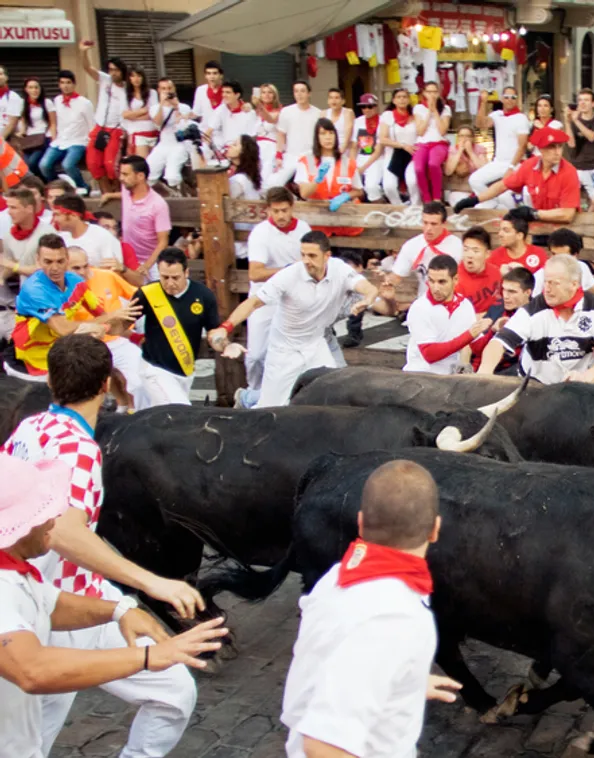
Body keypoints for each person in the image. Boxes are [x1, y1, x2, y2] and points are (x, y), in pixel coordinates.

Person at [3, 334, 209, 756]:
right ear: (105, 385)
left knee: (170, 691)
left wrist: (121, 604)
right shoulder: (77, 448)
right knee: (28, 736)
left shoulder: (31, 425)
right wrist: (152, 583)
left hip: (58, 594)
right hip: (52, 602)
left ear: (50, 382)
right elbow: (63, 532)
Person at [0, 452, 228, 758]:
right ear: (16, 527)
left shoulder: (14, 572)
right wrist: (147, 656)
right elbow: (32, 670)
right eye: (42, 512)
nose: (54, 520)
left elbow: (50, 605)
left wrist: (117, 610)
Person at [280, 458, 460, 757]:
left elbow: (343, 658)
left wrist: (400, 682)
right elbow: (323, 745)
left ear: (361, 523)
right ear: (435, 529)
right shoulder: (393, 618)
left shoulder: (337, 577)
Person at [209, 231, 378, 408]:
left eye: (312, 255)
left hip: (316, 344)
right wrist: (225, 327)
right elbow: (253, 303)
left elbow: (368, 287)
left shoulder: (340, 268)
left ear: (327, 256)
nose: (306, 260)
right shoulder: (288, 275)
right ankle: (246, 400)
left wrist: (367, 299)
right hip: (284, 350)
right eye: (303, 255)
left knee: (333, 395)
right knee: (271, 408)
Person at [477, 254, 594, 385]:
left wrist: (585, 378)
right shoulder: (532, 310)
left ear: (574, 284)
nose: (547, 289)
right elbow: (498, 343)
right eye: (546, 282)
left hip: (579, 385)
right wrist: (484, 374)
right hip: (535, 387)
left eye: (555, 283)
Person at [8, 235, 137, 380]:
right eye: (48, 262)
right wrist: (112, 315)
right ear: (38, 260)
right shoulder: (34, 290)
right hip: (30, 363)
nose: (55, 268)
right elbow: (63, 328)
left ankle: (124, 403)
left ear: (67, 259)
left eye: (60, 261)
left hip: (59, 355)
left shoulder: (76, 282)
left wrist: (133, 334)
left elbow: (103, 317)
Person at [125, 247, 228, 408]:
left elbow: (213, 332)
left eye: (175, 277)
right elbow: (123, 324)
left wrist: (223, 344)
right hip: (155, 369)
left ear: (186, 273)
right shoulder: (147, 293)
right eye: (164, 277)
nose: (170, 283)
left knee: (164, 418)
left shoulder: (204, 295)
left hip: (185, 371)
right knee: (180, 410)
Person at [239, 187, 311, 404]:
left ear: (292, 208)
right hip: (265, 300)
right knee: (256, 355)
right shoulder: (260, 233)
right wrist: (290, 269)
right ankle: (253, 394)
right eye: (276, 211)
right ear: (268, 210)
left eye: (285, 210)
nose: (280, 216)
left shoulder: (304, 230)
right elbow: (255, 273)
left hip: (293, 300)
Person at [64, 247, 143, 409]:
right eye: (76, 268)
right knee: (90, 386)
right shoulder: (61, 290)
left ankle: (134, 411)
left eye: (85, 266)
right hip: (85, 344)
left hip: (119, 338)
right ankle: (120, 406)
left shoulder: (107, 276)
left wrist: (129, 326)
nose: (83, 271)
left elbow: (137, 295)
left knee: (137, 380)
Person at [455, 127, 580, 224]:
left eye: (560, 147)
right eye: (552, 147)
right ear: (541, 150)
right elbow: (503, 185)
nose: (557, 152)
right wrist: (474, 200)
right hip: (538, 226)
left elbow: (567, 214)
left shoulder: (569, 172)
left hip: (563, 231)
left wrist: (534, 214)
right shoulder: (529, 165)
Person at [402, 254, 491, 376]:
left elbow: (477, 346)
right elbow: (430, 354)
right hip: (421, 375)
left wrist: (494, 330)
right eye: (431, 281)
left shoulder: (464, 305)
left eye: (442, 282)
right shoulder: (420, 307)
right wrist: (469, 335)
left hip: (450, 378)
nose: (435, 287)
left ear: (455, 280)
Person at [295, 118, 364, 236]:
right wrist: (317, 180)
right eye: (323, 133)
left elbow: (358, 191)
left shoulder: (347, 162)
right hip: (317, 224)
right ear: (316, 137)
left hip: (344, 224)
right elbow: (304, 193)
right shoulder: (307, 161)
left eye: (331, 133)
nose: (328, 137)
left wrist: (346, 195)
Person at [77, 41, 128, 196]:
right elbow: (87, 68)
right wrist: (84, 52)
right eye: (111, 70)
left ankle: (118, 193)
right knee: (93, 163)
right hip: (100, 127)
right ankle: (106, 193)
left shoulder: (128, 88)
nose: (113, 73)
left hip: (117, 129)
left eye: (116, 70)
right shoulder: (105, 80)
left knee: (111, 165)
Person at [389, 202, 463, 301]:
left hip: (451, 301)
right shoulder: (412, 245)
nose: (428, 228)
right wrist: (387, 283)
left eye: (434, 224)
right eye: (425, 223)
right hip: (424, 302)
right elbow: (396, 276)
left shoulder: (457, 246)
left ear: (444, 224)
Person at [469, 86, 529, 204]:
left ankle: (495, 204)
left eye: (513, 97)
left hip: (514, 163)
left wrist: (511, 167)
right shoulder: (497, 115)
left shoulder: (521, 118)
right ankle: (492, 203)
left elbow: (522, 146)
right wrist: (483, 102)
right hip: (498, 162)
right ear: (502, 99)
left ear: (516, 99)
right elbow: (480, 124)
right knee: (474, 180)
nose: (509, 100)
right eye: (506, 97)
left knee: (506, 195)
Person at [469, 266, 533, 375]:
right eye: (504, 290)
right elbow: (476, 349)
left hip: (518, 373)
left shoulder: (537, 315)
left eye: (512, 292)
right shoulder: (497, 308)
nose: (506, 296)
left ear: (527, 292)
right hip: (486, 372)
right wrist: (493, 331)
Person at [37, 71, 93, 194]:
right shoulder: (57, 100)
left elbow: (92, 125)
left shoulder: (84, 103)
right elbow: (54, 121)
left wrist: (90, 144)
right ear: (59, 85)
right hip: (60, 141)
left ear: (74, 84)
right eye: (62, 83)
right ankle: (58, 186)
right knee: (44, 165)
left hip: (78, 141)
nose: (65, 86)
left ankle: (83, 186)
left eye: (68, 83)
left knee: (68, 165)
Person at [118, 156, 171, 281]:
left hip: (150, 262)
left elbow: (163, 241)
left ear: (140, 176)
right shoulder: (126, 191)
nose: (121, 178)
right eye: (121, 174)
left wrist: (146, 266)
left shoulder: (158, 204)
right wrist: (110, 195)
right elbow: (123, 195)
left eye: (125, 174)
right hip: (128, 258)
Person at [267, 81, 322, 189]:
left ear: (309, 93)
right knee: (273, 183)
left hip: (310, 156)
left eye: (302, 91)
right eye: (296, 91)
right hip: (291, 155)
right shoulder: (286, 111)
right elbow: (281, 134)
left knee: (313, 184)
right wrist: (279, 155)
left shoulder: (318, 113)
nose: (299, 94)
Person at [145, 77, 196, 193]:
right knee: (148, 172)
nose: (167, 91)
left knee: (172, 175)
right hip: (163, 144)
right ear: (158, 90)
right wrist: (162, 104)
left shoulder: (184, 107)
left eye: (169, 88)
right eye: (163, 89)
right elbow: (158, 123)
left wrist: (176, 106)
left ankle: (183, 194)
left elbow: (183, 125)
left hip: (180, 144)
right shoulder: (155, 108)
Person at [52, 193, 123, 276]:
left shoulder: (102, 236)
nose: (55, 219)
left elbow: (113, 272)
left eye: (57, 215)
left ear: (73, 215)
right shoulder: (61, 238)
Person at [369, 88, 418, 206]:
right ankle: (399, 207)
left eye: (404, 97)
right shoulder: (388, 116)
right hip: (394, 153)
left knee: (412, 181)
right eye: (399, 97)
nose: (402, 99)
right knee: (389, 186)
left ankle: (416, 206)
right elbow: (382, 138)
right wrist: (402, 145)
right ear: (394, 100)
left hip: (413, 153)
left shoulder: (415, 115)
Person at [0, 188, 59, 279]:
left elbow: (46, 270)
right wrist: (1, 277)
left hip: (46, 290)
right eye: (8, 207)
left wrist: (13, 266)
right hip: (25, 290)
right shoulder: (9, 235)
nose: (9, 212)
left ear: (29, 209)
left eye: (13, 208)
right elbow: (8, 264)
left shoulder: (47, 233)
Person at [412, 82, 452, 205]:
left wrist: (435, 111)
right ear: (424, 93)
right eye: (429, 92)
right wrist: (429, 112)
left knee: (433, 164)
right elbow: (420, 131)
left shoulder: (445, 109)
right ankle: (427, 199)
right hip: (422, 143)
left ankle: (436, 198)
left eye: (434, 92)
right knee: (418, 168)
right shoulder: (418, 108)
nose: (432, 95)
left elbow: (442, 130)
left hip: (439, 142)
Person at [567, 89, 594, 204]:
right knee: (570, 200)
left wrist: (576, 121)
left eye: (586, 100)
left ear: (593, 104)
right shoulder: (573, 121)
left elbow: (592, 137)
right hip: (575, 167)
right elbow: (571, 144)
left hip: (593, 167)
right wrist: (567, 122)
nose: (582, 103)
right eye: (580, 100)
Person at [452, 227, 500, 313]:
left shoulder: (496, 273)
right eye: (466, 250)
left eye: (475, 251)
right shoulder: (454, 279)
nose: (469, 255)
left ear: (487, 254)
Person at [203, 81, 257, 156]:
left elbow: (252, 137)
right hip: (225, 151)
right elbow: (209, 131)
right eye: (223, 92)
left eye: (228, 92)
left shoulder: (249, 112)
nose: (224, 95)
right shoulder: (221, 109)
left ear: (237, 95)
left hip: (243, 151)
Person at [15, 77, 53, 174]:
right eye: (31, 88)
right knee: (26, 164)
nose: (34, 90)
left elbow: (53, 122)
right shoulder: (22, 103)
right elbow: (23, 122)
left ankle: (44, 183)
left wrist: (53, 137)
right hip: (29, 139)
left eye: (36, 87)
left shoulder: (47, 102)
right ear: (26, 89)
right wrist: (20, 133)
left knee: (32, 163)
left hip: (42, 139)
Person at [120, 66, 157, 160]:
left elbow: (152, 114)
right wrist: (142, 111)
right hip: (137, 134)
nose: (136, 79)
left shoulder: (152, 93)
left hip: (152, 132)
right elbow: (125, 115)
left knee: (153, 164)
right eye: (133, 76)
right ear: (129, 78)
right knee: (142, 162)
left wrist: (133, 116)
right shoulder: (125, 95)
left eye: (139, 76)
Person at [444, 125, 487, 206]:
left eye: (468, 136)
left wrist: (470, 152)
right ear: (458, 137)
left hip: (477, 190)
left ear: (473, 138)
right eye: (461, 136)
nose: (464, 139)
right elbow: (448, 172)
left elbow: (484, 170)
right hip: (459, 190)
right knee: (458, 201)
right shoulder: (453, 149)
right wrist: (459, 151)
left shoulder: (479, 149)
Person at [319, 88, 354, 158]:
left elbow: (348, 136)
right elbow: (321, 134)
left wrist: (340, 152)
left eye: (337, 98)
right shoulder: (323, 113)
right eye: (331, 98)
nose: (333, 101)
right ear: (328, 101)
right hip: (327, 151)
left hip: (344, 151)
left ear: (343, 101)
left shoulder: (348, 113)